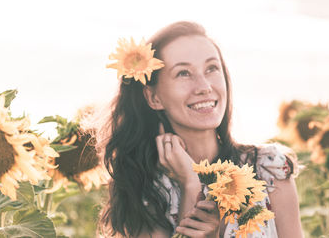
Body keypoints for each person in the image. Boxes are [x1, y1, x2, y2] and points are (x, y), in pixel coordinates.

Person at [98, 21, 303, 238]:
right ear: (153, 97)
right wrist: (191, 185)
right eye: (184, 73)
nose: (204, 86)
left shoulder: (268, 168)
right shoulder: (144, 186)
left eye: (211, 68)